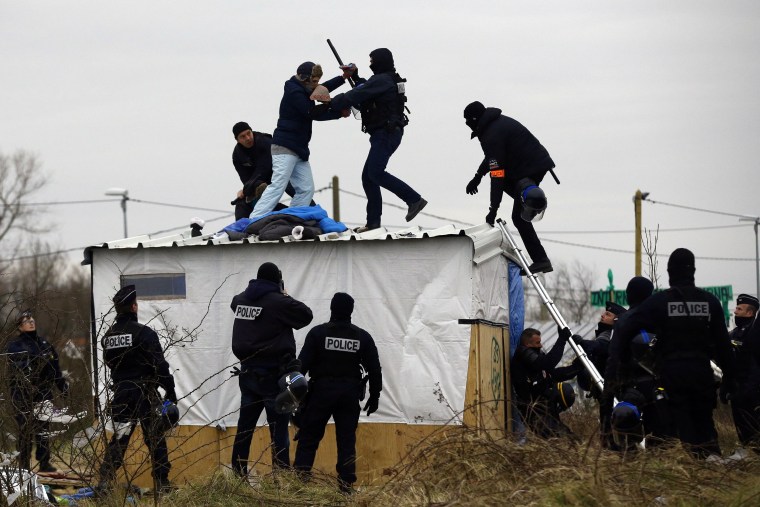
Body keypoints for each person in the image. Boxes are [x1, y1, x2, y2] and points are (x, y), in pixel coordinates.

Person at [615, 248, 736, 459]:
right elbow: (724, 348)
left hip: (672, 376)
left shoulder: (659, 302)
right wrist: (730, 380)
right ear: (693, 271)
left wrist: (617, 370)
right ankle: (710, 467)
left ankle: (685, 473)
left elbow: (625, 332)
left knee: (678, 429)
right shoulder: (710, 302)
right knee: (705, 427)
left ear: (670, 272)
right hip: (702, 374)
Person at [329, 48, 427, 232]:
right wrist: (356, 76)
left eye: (372, 61)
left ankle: (414, 199)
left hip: (386, 133)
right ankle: (373, 223)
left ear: (380, 62)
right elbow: (367, 90)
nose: (370, 64)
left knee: (375, 173)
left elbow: (358, 94)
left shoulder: (382, 80)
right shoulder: (387, 78)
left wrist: (331, 101)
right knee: (368, 177)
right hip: (387, 133)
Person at [230, 262, 313, 476]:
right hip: (273, 375)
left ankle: (238, 474)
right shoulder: (278, 302)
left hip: (247, 373)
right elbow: (306, 315)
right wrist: (284, 294)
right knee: (278, 430)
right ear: (277, 281)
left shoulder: (240, 300)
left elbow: (236, 305)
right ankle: (281, 477)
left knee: (244, 428)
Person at [293, 292, 382, 493]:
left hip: (320, 392)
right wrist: (375, 395)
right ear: (351, 311)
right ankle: (346, 486)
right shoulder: (362, 337)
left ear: (332, 309)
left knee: (309, 437)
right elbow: (375, 369)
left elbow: (301, 367)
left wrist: (294, 398)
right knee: (346, 440)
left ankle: (299, 481)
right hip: (349, 394)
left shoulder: (317, 333)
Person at [98, 285, 177, 491]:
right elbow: (160, 366)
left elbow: (111, 364)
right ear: (134, 307)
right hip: (145, 393)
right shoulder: (144, 333)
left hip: (122, 393)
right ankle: (162, 483)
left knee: (120, 437)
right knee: (155, 436)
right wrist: (170, 390)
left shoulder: (107, 338)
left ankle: (105, 481)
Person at [463, 101, 556, 274]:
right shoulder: (493, 126)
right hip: (534, 164)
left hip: (531, 167)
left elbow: (496, 174)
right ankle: (541, 260)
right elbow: (493, 157)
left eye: (467, 121)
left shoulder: (491, 133)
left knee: (519, 215)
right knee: (519, 216)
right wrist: (477, 176)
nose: (467, 125)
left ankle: (541, 260)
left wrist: (493, 209)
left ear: (474, 119)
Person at [249, 62, 351, 219]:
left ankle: (292, 218)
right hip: (285, 147)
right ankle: (254, 220)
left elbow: (321, 91)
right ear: (305, 79)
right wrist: (335, 105)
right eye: (315, 81)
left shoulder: (304, 89)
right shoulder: (294, 92)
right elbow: (311, 112)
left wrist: (343, 78)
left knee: (306, 189)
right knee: (278, 186)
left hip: (298, 149)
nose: (317, 84)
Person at [602, 276, 674, 450]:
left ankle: (631, 453)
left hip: (631, 387)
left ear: (629, 295)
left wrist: (605, 427)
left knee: (625, 417)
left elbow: (613, 361)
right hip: (662, 386)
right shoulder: (663, 319)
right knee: (662, 440)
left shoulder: (625, 321)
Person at [5, 309, 69, 472]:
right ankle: (24, 465)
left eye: (32, 319)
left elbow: (55, 370)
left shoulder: (45, 345)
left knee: (43, 430)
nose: (31, 321)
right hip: (22, 396)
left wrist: (62, 386)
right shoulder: (15, 346)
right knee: (25, 430)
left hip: (43, 394)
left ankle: (44, 462)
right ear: (19, 327)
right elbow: (19, 371)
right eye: (26, 321)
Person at [231, 122, 305, 220]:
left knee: (292, 188)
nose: (248, 138)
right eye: (243, 136)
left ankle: (310, 213)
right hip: (260, 181)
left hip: (281, 173)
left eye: (249, 133)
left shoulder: (264, 142)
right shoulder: (237, 155)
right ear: (237, 140)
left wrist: (248, 187)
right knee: (242, 202)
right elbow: (245, 179)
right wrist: (246, 190)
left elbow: (264, 168)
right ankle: (242, 229)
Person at [511, 327, 575, 438]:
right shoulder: (522, 354)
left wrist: (576, 367)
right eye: (537, 343)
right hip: (533, 411)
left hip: (545, 407)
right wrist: (562, 340)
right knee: (559, 439)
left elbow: (554, 374)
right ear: (527, 344)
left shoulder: (537, 357)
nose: (541, 346)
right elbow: (547, 363)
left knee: (570, 437)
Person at [726, 294, 760, 457]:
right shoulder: (733, 334)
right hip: (736, 388)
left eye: (739, 309)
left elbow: (754, 366)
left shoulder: (754, 334)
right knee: (741, 425)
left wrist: (748, 390)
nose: (735, 312)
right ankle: (746, 452)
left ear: (750, 313)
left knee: (753, 425)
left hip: (751, 390)